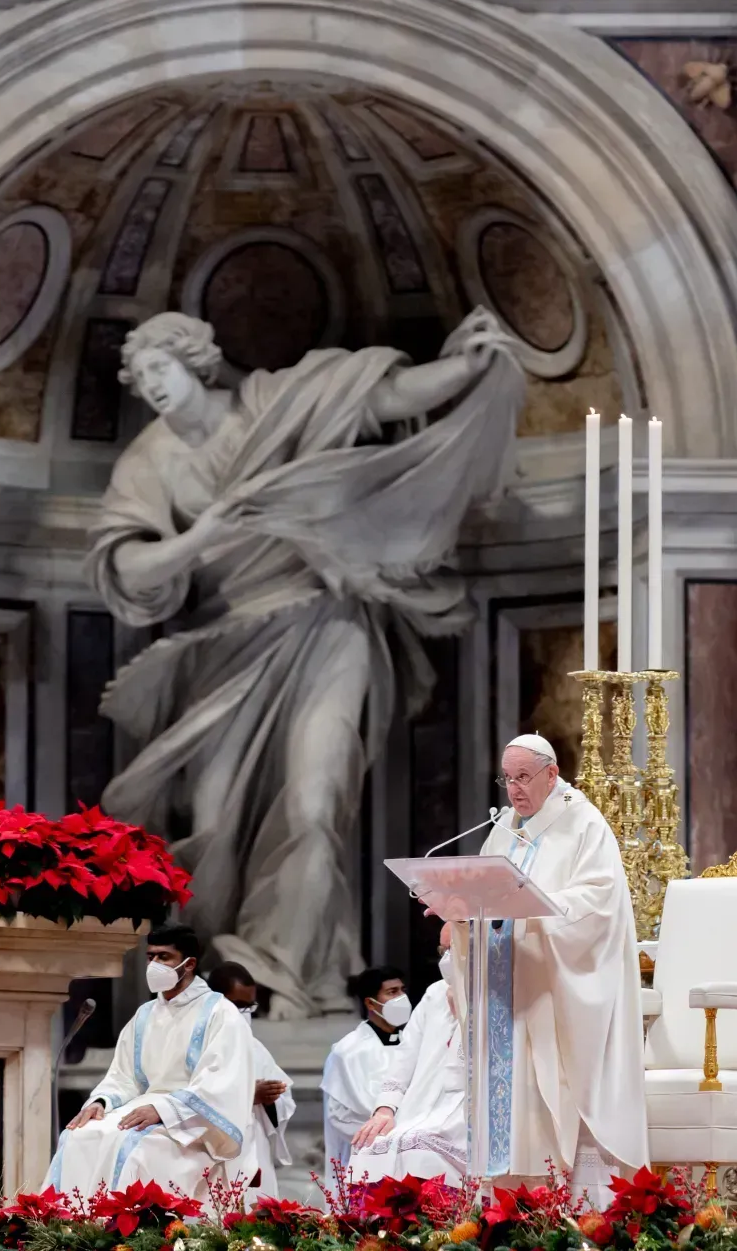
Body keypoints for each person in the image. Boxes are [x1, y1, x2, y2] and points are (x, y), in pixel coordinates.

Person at [86, 308, 523, 1016]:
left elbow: (379, 396)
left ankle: (293, 978)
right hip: (224, 649)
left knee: (316, 806)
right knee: (211, 825)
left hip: (327, 626)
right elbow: (128, 566)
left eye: (160, 369)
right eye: (140, 379)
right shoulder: (150, 460)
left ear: (195, 360)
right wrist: (204, 537)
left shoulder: (271, 401)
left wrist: (466, 368)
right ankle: (218, 989)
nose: (152, 388)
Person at [460, 733, 648, 1205]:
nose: (514, 789)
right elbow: (485, 886)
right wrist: (458, 907)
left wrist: (536, 907)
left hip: (552, 984)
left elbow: (598, 900)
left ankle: (561, 1202)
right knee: (512, 1094)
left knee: (549, 1084)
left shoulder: (583, 821)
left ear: (552, 773)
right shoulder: (505, 826)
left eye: (523, 777)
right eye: (507, 778)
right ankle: (509, 1205)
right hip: (508, 988)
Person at [46, 927, 255, 1203]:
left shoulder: (220, 1013)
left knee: (134, 1148)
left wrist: (163, 1109)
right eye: (150, 957)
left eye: (164, 957)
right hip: (144, 1108)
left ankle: (122, 1237)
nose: (154, 965)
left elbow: (221, 1084)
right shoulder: (145, 1015)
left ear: (189, 964)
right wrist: (101, 1102)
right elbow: (124, 1076)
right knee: (78, 1137)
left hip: (191, 1123)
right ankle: (70, 1233)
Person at [347, 923, 467, 1184]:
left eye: (453, 948)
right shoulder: (434, 994)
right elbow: (406, 1055)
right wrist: (385, 1108)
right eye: (442, 949)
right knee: (367, 1151)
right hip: (420, 1106)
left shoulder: (493, 990)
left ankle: (440, 1226)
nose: (446, 957)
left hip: (463, 1110)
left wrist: (466, 1013)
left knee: (420, 1154)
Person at [209, 961, 296, 1200]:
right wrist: (248, 1095)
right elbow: (189, 1096)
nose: (244, 1013)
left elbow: (284, 1102)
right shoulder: (199, 1046)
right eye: (238, 1005)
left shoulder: (255, 1048)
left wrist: (270, 1098)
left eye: (250, 1006)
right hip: (213, 1151)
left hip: (255, 1146)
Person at [321, 963, 409, 1171]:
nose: (401, 998)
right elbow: (339, 1115)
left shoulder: (413, 1042)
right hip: (366, 1158)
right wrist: (389, 1135)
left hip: (411, 1150)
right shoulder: (348, 1051)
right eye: (392, 992)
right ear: (371, 1003)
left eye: (403, 990)